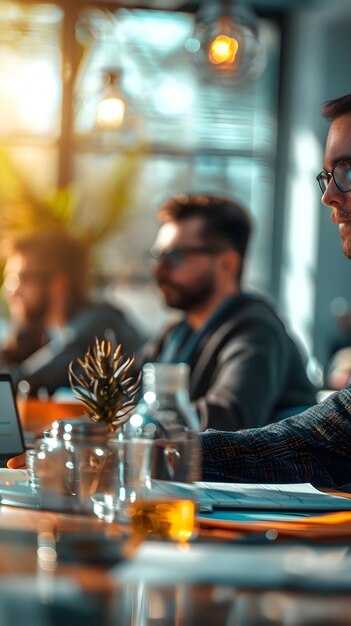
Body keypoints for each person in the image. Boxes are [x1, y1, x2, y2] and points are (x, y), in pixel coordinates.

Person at [201, 92, 351, 488]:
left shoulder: (254, 327)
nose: (328, 196)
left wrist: (138, 451)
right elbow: (319, 443)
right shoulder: (177, 333)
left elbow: (313, 445)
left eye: (347, 171)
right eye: (328, 175)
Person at [143, 193, 315, 431]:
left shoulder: (257, 331)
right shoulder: (176, 333)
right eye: (157, 256)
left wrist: (140, 423)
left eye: (174, 256)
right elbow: (124, 397)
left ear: (227, 265)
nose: (159, 271)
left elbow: (229, 419)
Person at [0, 227, 145, 395]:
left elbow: (20, 381)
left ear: (58, 283)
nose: (12, 291)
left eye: (21, 279)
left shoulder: (96, 325)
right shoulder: (45, 335)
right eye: (8, 280)